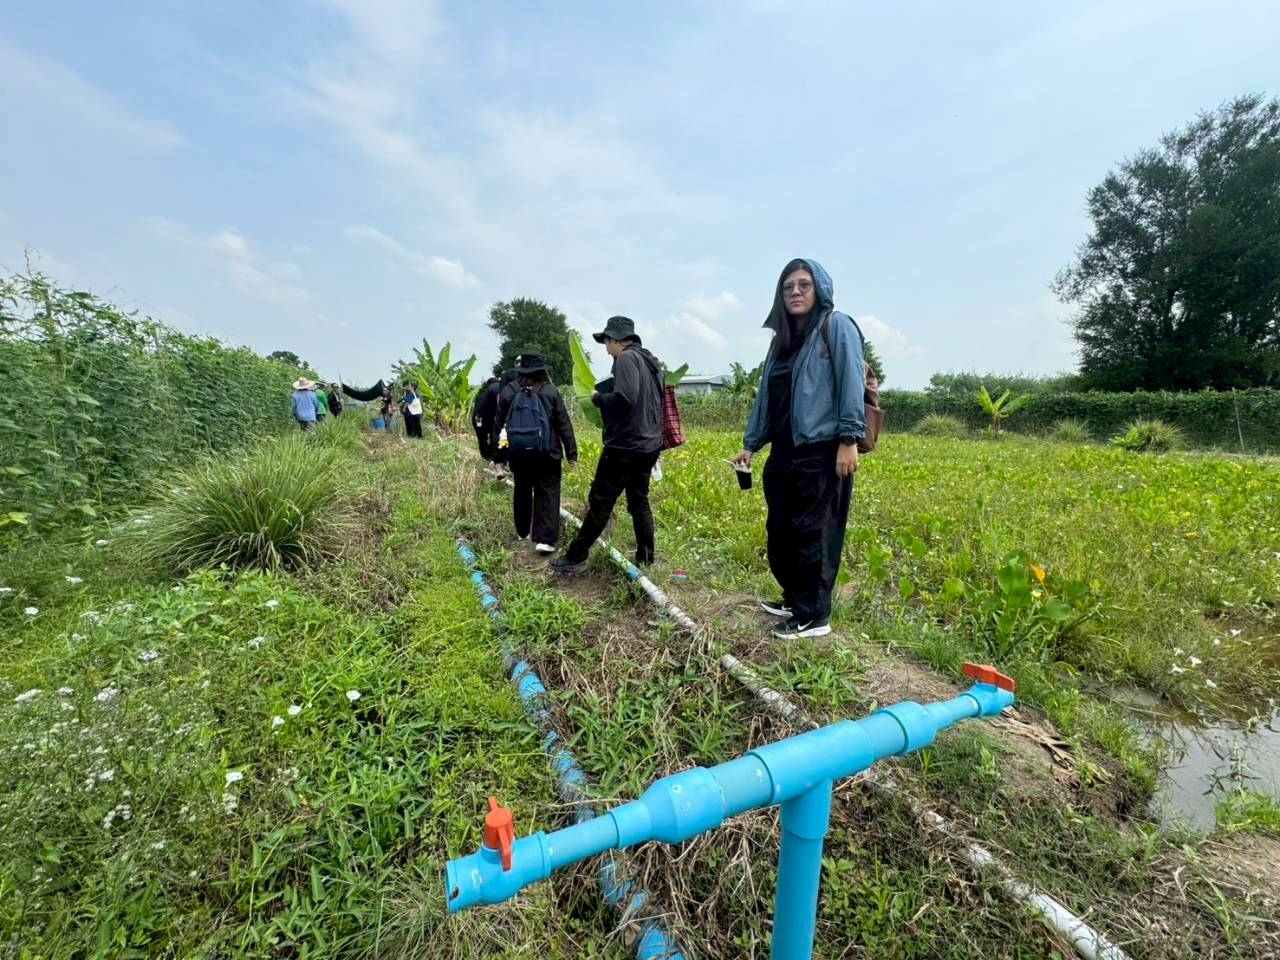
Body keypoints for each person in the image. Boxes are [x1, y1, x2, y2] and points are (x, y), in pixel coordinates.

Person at [733, 259, 866, 640]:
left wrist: (849, 439)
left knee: (814, 533)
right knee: (782, 530)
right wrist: (751, 443)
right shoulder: (782, 341)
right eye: (788, 286)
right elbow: (767, 397)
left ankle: (814, 615)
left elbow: (851, 382)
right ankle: (794, 598)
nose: (795, 291)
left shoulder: (835, 326)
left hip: (821, 449)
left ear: (819, 289)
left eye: (804, 285)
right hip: (784, 451)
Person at [551, 317, 663, 574]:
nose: (606, 348)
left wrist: (598, 398)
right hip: (648, 445)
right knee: (639, 501)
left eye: (606, 342)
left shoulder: (626, 359)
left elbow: (624, 399)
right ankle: (646, 558)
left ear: (616, 340)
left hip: (624, 446)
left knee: (601, 502)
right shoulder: (651, 362)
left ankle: (576, 557)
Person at [493, 353, 578, 553]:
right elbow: (564, 423)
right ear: (542, 371)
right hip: (548, 452)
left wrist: (498, 457)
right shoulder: (551, 392)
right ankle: (545, 539)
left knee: (522, 489)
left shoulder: (509, 391)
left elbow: (499, 425)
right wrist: (571, 453)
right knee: (547, 491)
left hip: (519, 453)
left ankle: (522, 531)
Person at [472, 376, 502, 466]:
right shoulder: (497, 393)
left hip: (479, 419)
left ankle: (486, 456)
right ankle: (491, 458)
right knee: (493, 437)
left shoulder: (481, 395)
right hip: (490, 420)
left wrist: (479, 424)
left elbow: (478, 411)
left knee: (482, 438)